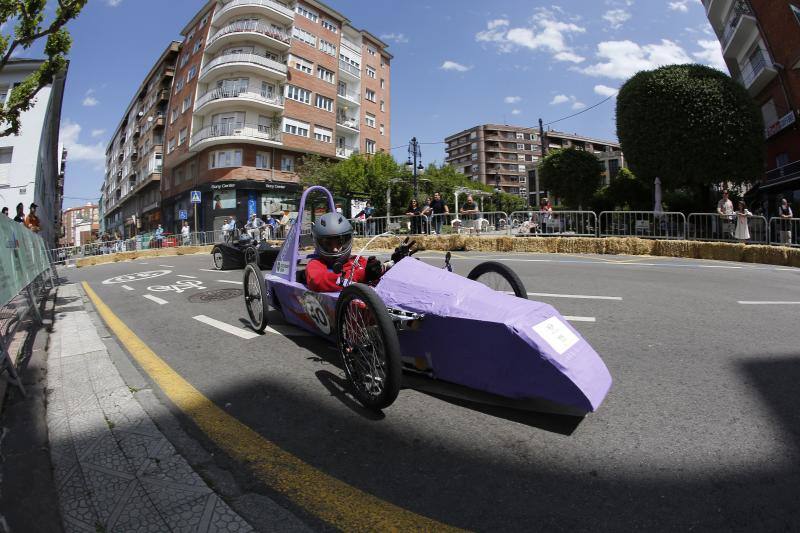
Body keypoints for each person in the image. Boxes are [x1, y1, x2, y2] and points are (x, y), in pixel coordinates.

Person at [305, 212, 416, 292]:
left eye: (339, 243)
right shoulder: (315, 264)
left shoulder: (357, 261)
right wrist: (364, 275)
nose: (335, 249)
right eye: (328, 244)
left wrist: (394, 264)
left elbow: (375, 275)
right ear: (318, 243)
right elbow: (318, 282)